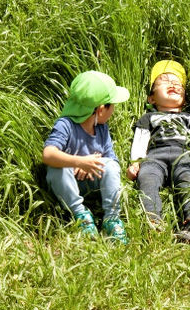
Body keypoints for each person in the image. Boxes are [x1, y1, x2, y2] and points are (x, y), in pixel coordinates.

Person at [43, 71, 130, 243]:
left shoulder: (102, 128)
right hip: (68, 185)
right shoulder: (65, 125)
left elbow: (112, 160)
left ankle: (111, 219)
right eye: (112, 105)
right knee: (56, 169)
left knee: (111, 166)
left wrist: (93, 163)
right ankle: (81, 216)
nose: (113, 110)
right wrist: (80, 162)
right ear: (100, 109)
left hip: (93, 182)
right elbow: (48, 154)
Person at [127, 60, 190, 244]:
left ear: (184, 99)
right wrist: (136, 161)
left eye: (178, 83)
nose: (173, 84)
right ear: (151, 98)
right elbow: (140, 139)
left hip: (184, 155)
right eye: (165, 81)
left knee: (188, 181)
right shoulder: (149, 117)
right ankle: (154, 223)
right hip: (154, 156)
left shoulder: (189, 117)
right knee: (147, 178)